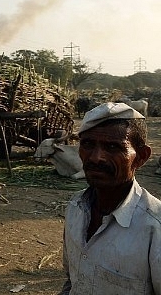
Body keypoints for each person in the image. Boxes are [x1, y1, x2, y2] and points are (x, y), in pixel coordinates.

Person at [59, 102, 161, 294]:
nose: (96, 157)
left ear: (141, 157)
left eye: (113, 147)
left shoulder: (154, 227)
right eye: (88, 144)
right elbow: (73, 280)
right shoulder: (75, 207)